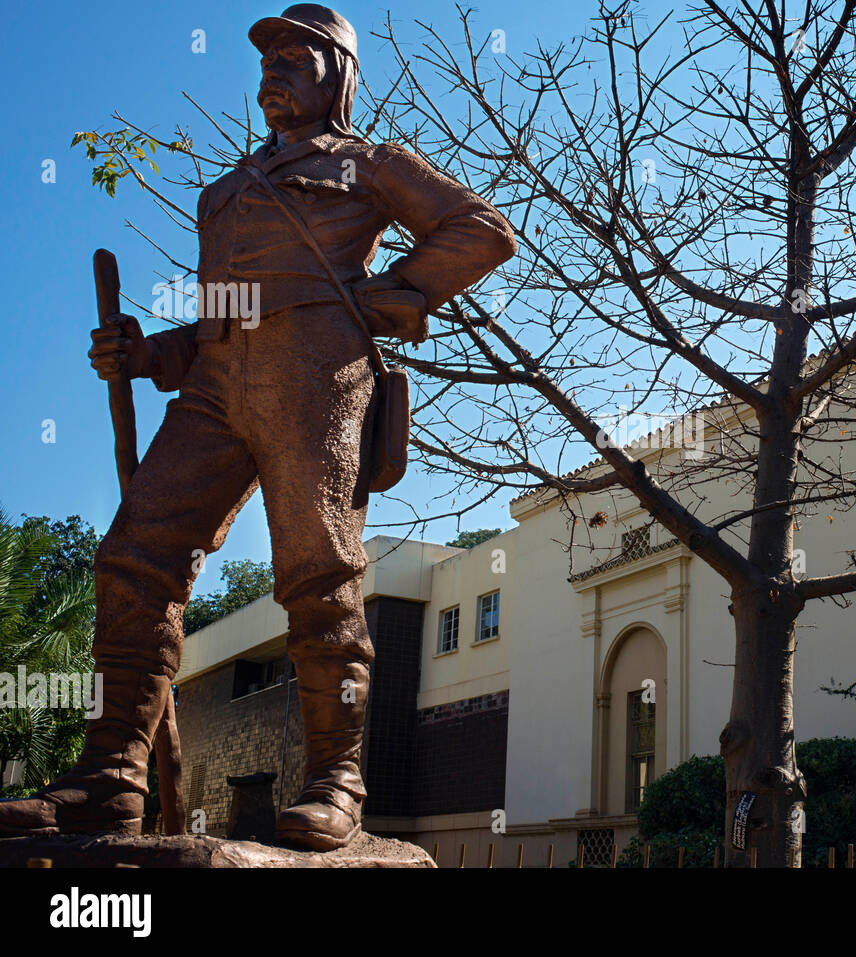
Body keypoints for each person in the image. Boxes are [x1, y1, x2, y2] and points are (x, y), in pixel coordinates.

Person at [0, 4, 515, 850]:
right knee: (134, 556)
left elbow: (482, 229)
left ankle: (335, 777)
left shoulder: (369, 164)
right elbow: (216, 317)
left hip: (316, 375)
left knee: (318, 571)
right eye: (267, 59)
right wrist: (147, 351)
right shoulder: (226, 189)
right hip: (211, 388)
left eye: (296, 58)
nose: (274, 69)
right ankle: (109, 778)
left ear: (336, 78)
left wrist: (403, 290)